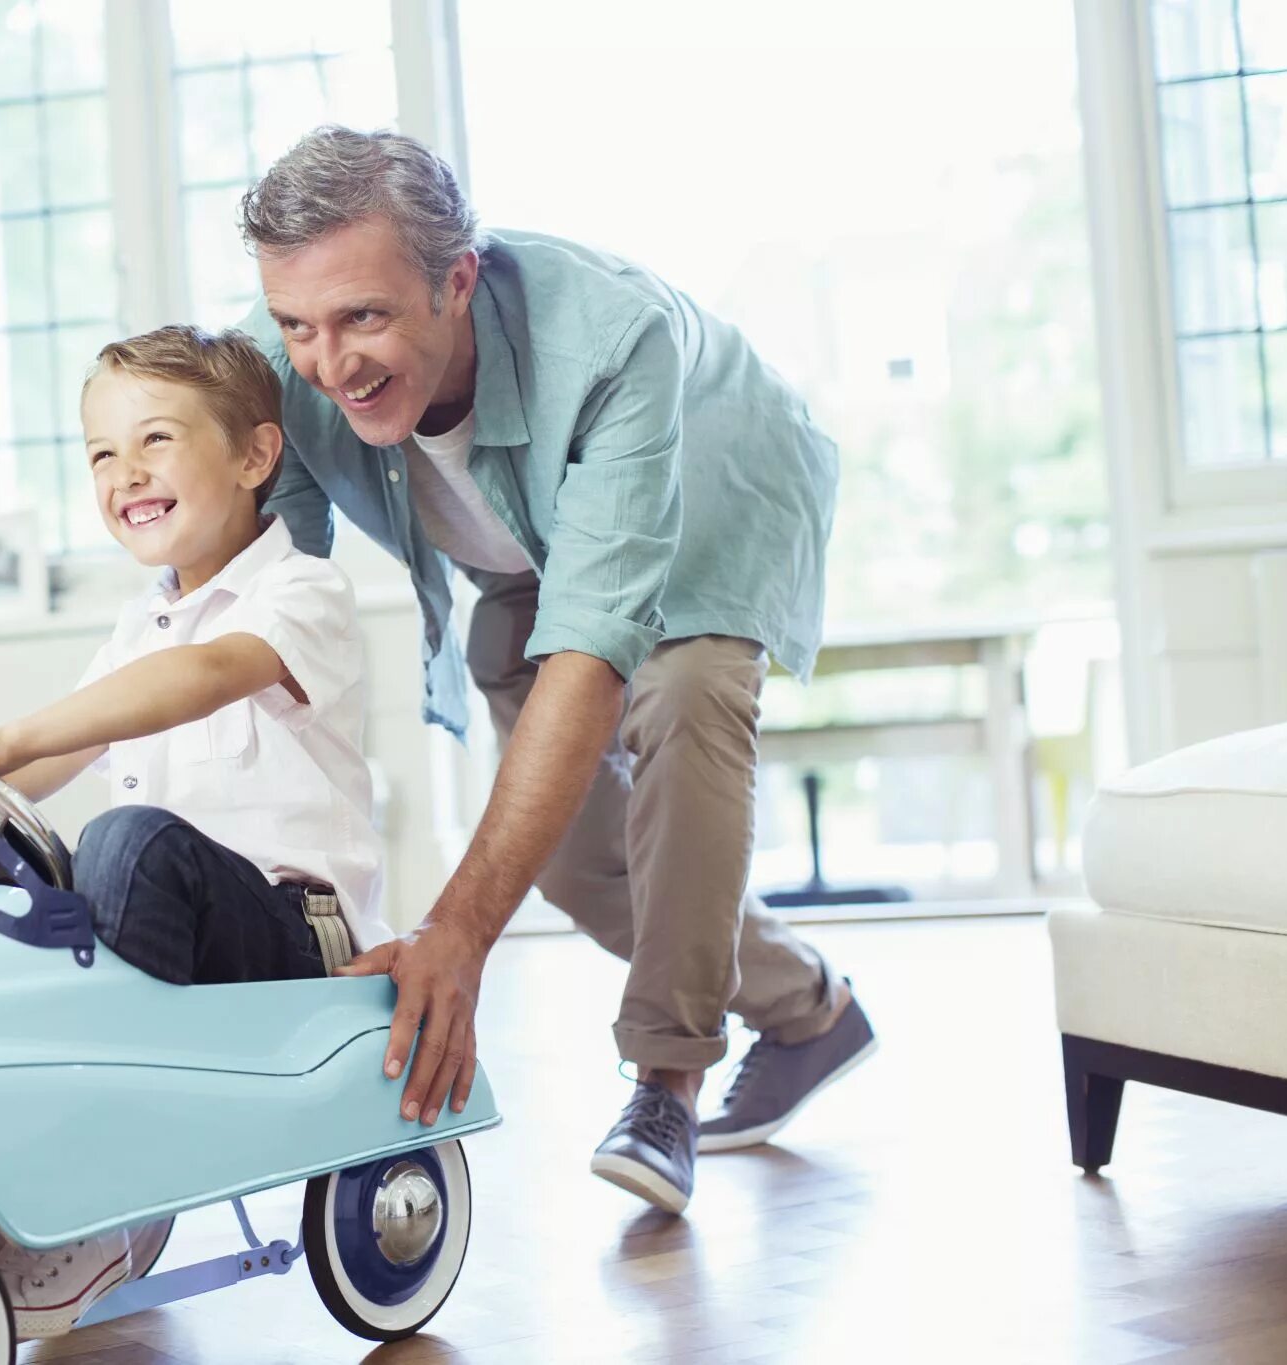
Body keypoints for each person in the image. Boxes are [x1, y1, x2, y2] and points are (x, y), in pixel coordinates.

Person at [237, 127, 877, 1216]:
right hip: (531, 539)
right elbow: (268, 600)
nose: (328, 363)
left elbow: (588, 655)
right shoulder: (280, 369)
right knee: (570, 854)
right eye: (298, 324)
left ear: (454, 280)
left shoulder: (610, 343)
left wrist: (453, 933)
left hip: (711, 489)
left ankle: (667, 1083)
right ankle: (807, 1008)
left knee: (679, 700)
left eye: (364, 318)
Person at [0, 323, 390, 1335]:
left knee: (124, 841)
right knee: (3, 889)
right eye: (99, 453)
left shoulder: (299, 591)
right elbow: (37, 773)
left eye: (155, 441)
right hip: (176, 939)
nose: (123, 472)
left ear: (254, 457)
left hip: (291, 942)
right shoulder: (136, 628)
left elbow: (196, 680)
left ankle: (109, 1196)